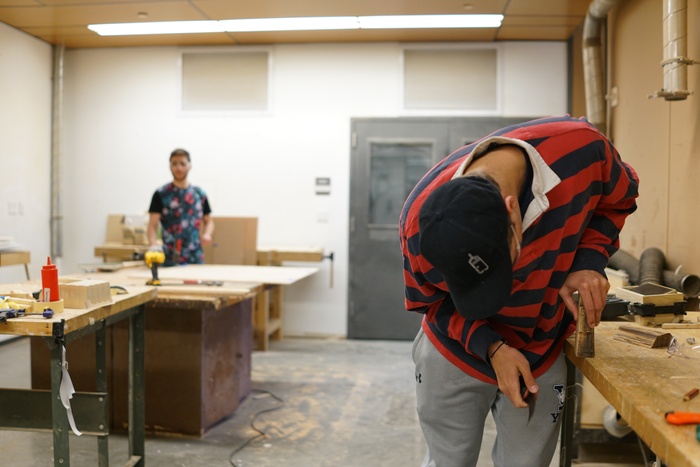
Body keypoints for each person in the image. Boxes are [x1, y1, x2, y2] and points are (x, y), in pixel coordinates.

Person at [399, 115, 639, 467]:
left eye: (502, 269)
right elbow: (431, 303)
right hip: (454, 351)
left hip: (540, 346)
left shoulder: (583, 151)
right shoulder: (418, 229)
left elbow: (618, 199)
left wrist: (587, 261)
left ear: (513, 211)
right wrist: (492, 347)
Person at [147, 148, 214, 266]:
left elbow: (209, 221)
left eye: (182, 163)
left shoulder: (199, 194)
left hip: (195, 255)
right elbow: (152, 224)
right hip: (169, 256)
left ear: (189, 166)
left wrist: (207, 234)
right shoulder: (161, 194)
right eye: (174, 163)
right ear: (170, 166)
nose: (179, 168)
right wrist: (152, 245)